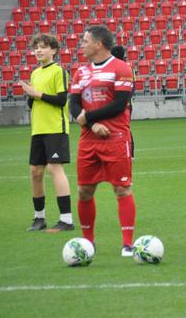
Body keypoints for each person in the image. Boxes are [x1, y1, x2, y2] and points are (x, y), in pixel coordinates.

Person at [69, 26, 137, 257]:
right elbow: (74, 105)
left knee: (122, 189)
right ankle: (88, 242)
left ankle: (127, 243)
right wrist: (91, 124)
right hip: (88, 141)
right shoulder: (80, 72)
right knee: (84, 191)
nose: (82, 44)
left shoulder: (121, 68)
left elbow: (120, 104)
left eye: (85, 40)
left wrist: (88, 117)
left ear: (98, 44)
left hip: (115, 139)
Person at [20, 34, 74, 232]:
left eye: (43, 47)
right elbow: (33, 102)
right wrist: (30, 94)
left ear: (54, 50)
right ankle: (39, 218)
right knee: (35, 172)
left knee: (54, 169)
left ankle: (66, 220)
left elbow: (61, 100)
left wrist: (37, 94)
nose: (39, 50)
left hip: (55, 129)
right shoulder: (35, 73)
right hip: (38, 130)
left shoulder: (59, 71)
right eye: (36, 47)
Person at [110, 45, 135, 159]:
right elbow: (132, 87)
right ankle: (129, 153)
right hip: (127, 104)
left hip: (123, 104)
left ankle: (127, 153)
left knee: (122, 129)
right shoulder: (129, 68)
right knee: (124, 128)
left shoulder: (120, 68)